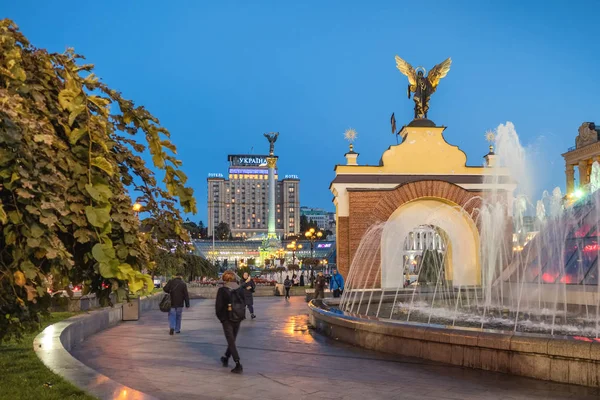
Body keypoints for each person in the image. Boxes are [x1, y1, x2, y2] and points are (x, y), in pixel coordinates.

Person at [215, 270, 244, 374]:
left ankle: (238, 364)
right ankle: (226, 357)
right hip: (238, 317)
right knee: (232, 340)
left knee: (230, 341)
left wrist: (222, 318)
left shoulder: (222, 290)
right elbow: (243, 303)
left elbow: (218, 307)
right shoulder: (240, 289)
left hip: (227, 319)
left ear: (224, 279)